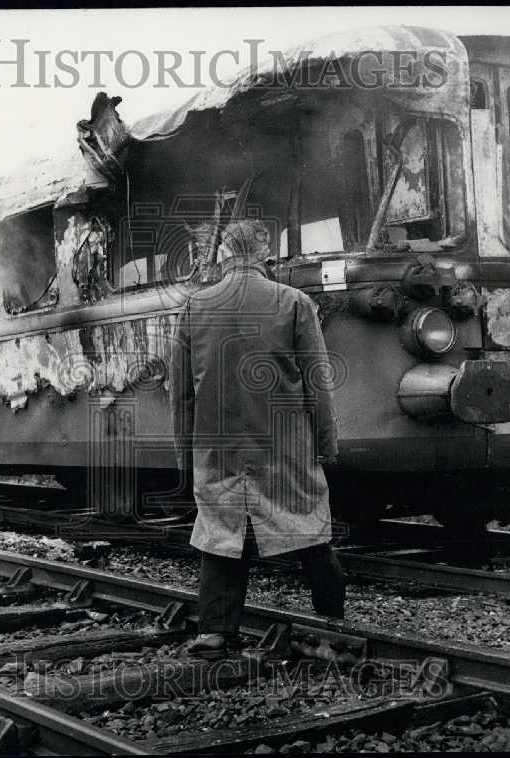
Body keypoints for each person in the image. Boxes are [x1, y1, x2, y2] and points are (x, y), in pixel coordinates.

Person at [169, 218, 346, 659]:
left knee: (221, 532)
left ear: (225, 254)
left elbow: (181, 393)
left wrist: (185, 453)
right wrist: (326, 442)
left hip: (218, 447)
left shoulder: (194, 306)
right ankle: (331, 616)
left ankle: (215, 632)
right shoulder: (294, 302)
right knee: (307, 524)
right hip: (285, 443)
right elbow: (317, 383)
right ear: (265, 254)